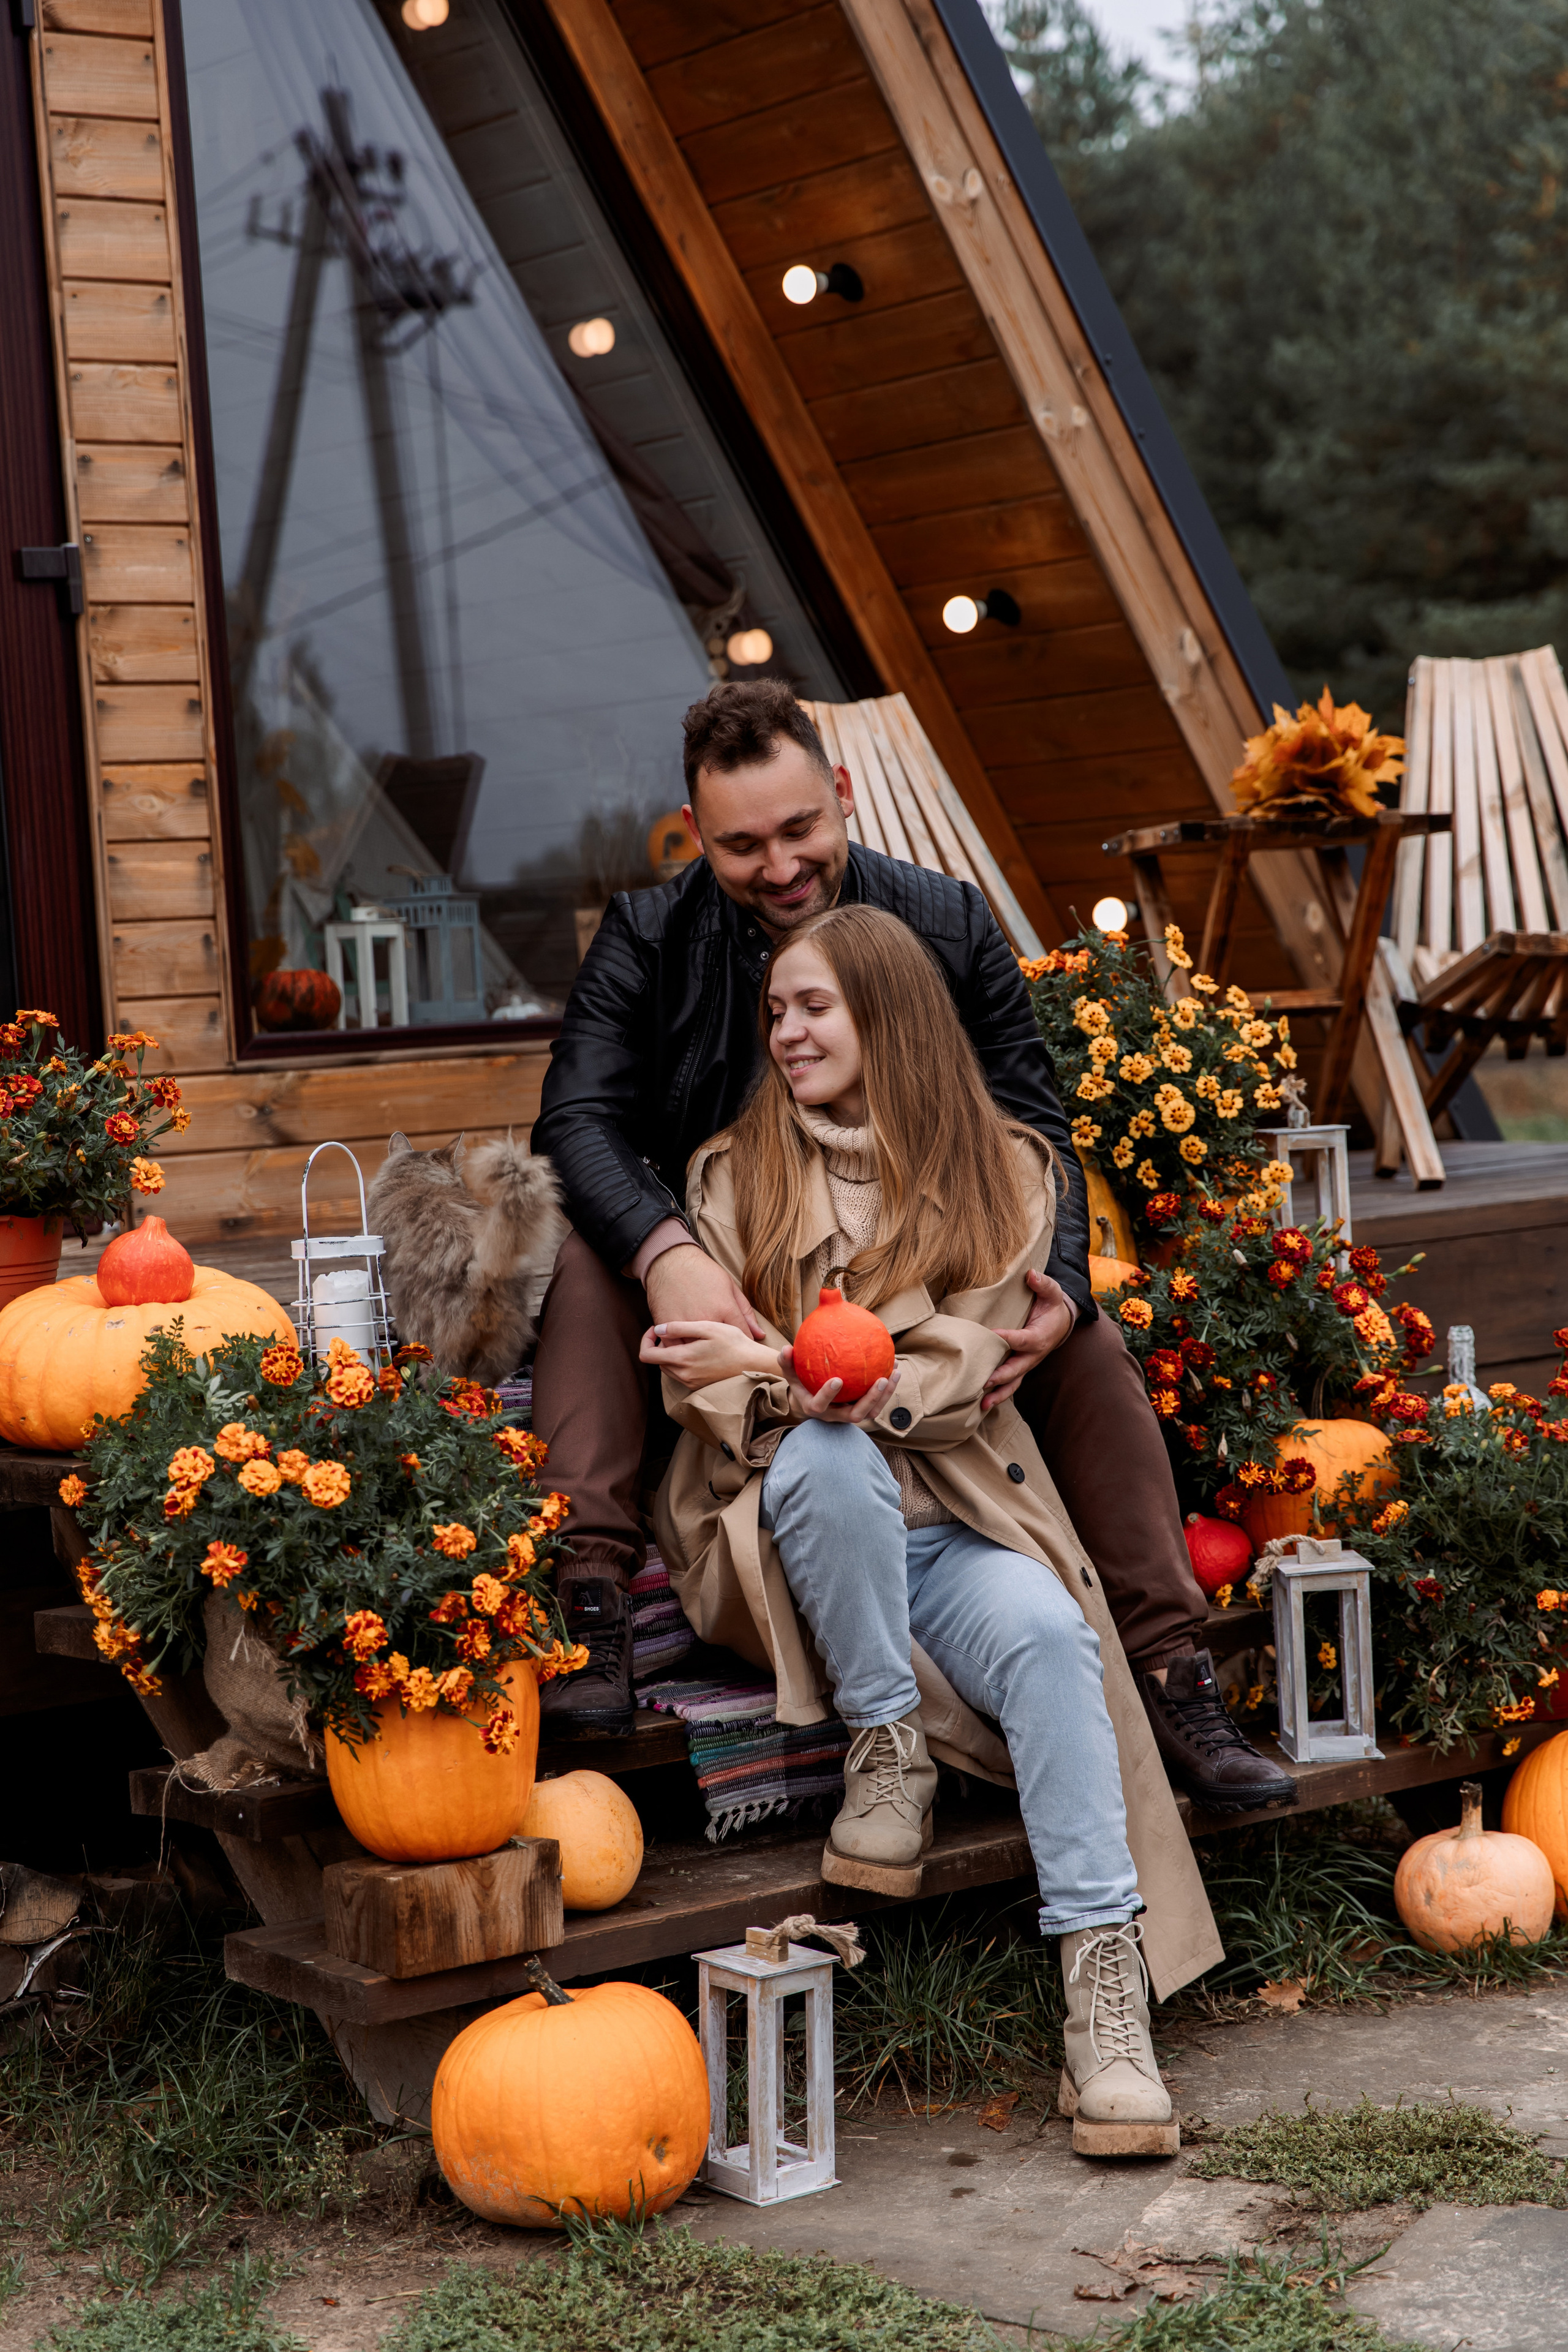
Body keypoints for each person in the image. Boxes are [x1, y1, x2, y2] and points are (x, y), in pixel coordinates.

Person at [529, 679, 1294, 1815]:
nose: (781, 866)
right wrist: (665, 1249)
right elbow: (574, 1122)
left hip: (913, 1300)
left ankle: (1174, 1669)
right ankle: (593, 1600)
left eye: (800, 830)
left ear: (841, 798)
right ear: (699, 838)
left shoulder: (946, 922)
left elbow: (1036, 1128)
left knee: (1083, 1342)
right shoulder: (647, 938)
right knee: (590, 1254)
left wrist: (1064, 1289)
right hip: (731, 1299)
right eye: (743, 846)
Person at [643, 903, 1219, 2154]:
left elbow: (958, 1369)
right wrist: (801, 1386)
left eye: (814, 1007)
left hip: (952, 1520)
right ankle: (884, 1742)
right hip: (793, 1536)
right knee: (832, 1457)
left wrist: (782, 1357)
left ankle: (1099, 1986)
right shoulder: (730, 1178)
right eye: (776, 1011)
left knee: (1052, 1638)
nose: (787, 1032)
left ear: (886, 1015)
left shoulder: (1003, 1171)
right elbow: (701, 1388)